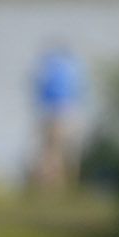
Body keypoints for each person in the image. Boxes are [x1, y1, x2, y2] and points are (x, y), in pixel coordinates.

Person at [31, 42, 86, 191]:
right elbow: (81, 91)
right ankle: (69, 182)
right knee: (68, 150)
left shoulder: (47, 67)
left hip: (51, 113)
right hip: (70, 111)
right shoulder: (73, 67)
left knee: (50, 151)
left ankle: (51, 184)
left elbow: (39, 91)